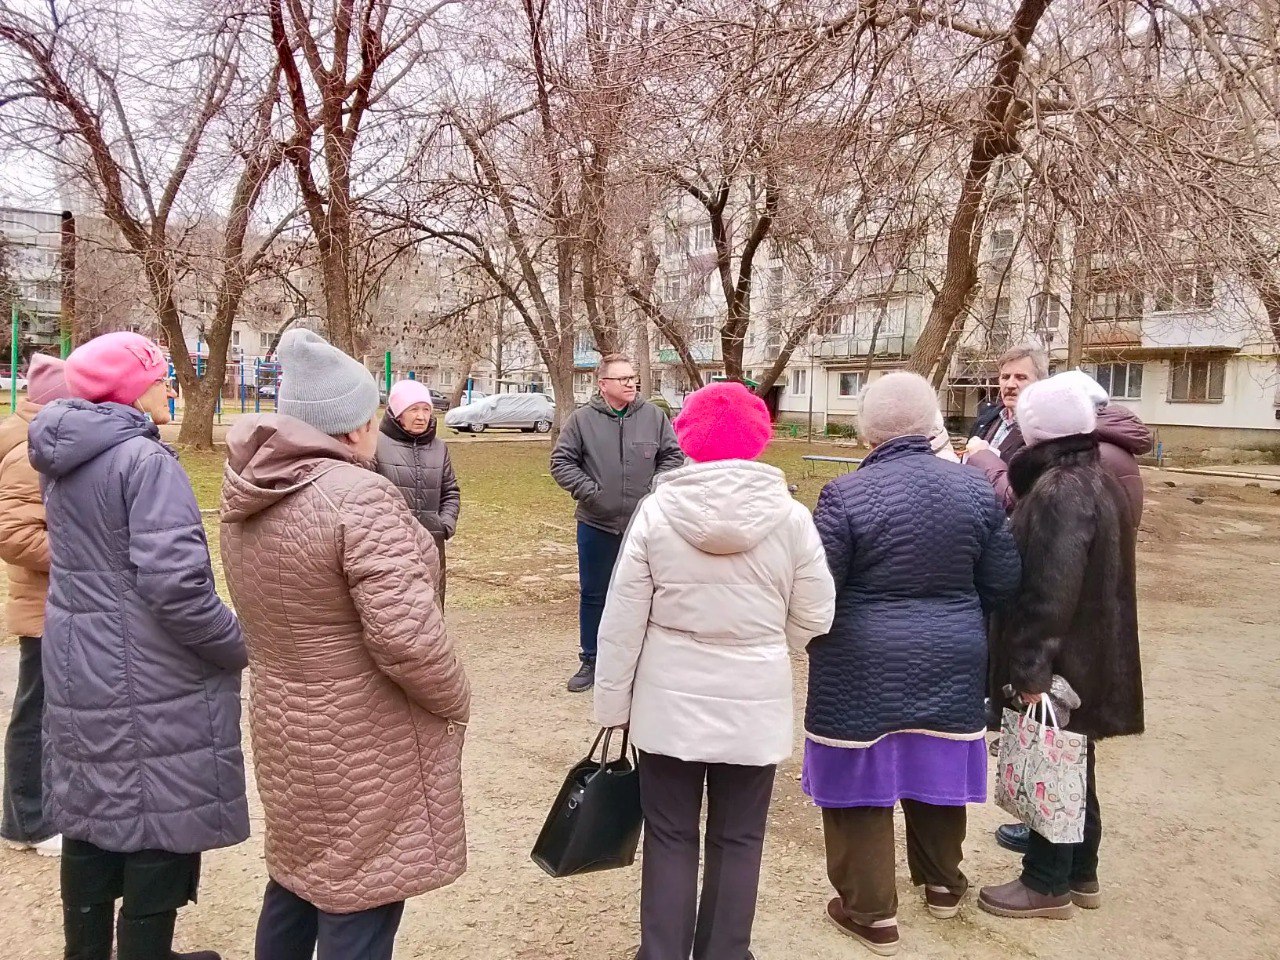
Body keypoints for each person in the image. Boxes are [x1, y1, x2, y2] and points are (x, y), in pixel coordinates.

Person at [220, 330, 470, 960]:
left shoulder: (251, 490)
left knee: (300, 880)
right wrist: (456, 697)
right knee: (361, 894)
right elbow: (408, 637)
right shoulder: (359, 497)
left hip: (285, 722)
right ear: (357, 424)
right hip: (361, 732)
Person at [595, 381, 835, 960]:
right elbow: (817, 611)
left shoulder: (657, 513)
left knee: (671, 836)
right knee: (740, 836)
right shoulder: (791, 518)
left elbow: (622, 618)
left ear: (688, 437)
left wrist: (611, 707)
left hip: (667, 703)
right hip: (753, 700)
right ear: (759, 437)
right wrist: (770, 646)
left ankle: (663, 952)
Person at [28, 332, 245, 960]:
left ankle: (87, 950)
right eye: (160, 377)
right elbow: (176, 586)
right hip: (148, 668)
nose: (171, 388)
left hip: (79, 660)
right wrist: (232, 642)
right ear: (129, 388)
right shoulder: (144, 462)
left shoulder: (65, 455)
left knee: (94, 807)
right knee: (160, 812)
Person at [806, 372, 1020, 956]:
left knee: (860, 776)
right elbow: (1002, 582)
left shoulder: (843, 495)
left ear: (866, 430)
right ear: (932, 425)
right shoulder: (975, 490)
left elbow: (819, 588)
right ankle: (943, 885)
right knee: (937, 762)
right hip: (952, 649)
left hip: (861, 657)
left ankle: (871, 912)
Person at [978, 373, 1144, 920]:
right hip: (1096, 653)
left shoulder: (1059, 491)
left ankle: (1045, 883)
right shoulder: (1099, 479)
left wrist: (1030, 671)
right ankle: (1082, 871)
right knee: (1078, 760)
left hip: (1063, 659)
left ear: (1036, 432)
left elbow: (1051, 587)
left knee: (1055, 763)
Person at [549, 353, 684, 692]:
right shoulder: (582, 421)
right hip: (597, 524)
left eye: (632, 377)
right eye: (622, 379)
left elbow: (672, 456)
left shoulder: (654, 417)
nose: (630, 383)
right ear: (603, 384)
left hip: (646, 525)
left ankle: (642, 663)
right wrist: (592, 493)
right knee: (595, 594)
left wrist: (655, 490)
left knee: (648, 594)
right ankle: (592, 659)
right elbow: (561, 463)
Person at [0, 355, 70, 858]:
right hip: (44, 604)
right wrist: (86, 558)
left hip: (56, 601)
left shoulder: (39, 437)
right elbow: (14, 534)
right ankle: (27, 821)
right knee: (37, 711)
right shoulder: (28, 450)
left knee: (48, 709)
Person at [966, 349, 1153, 518]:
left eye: (1021, 377)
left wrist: (983, 456)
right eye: (1005, 377)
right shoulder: (988, 417)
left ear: (1041, 384)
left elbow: (1020, 496)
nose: (1010, 384)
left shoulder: (1052, 431)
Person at [376, 378, 461, 604]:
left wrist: (444, 525)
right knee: (394, 609)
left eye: (426, 409)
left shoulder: (439, 448)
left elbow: (450, 491)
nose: (421, 416)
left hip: (432, 543)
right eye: (413, 409)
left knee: (432, 607)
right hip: (388, 546)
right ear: (397, 412)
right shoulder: (375, 443)